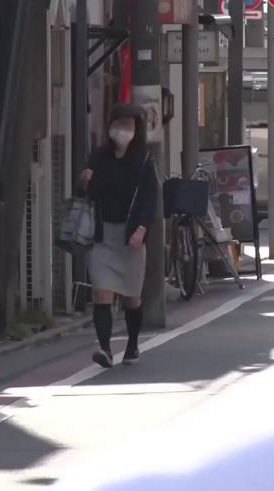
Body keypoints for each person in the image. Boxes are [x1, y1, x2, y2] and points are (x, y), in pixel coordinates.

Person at [80, 103, 158, 369]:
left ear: (137, 129)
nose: (122, 130)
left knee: (131, 297)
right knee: (102, 292)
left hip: (131, 237)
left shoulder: (145, 161)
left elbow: (150, 199)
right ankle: (105, 348)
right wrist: (84, 183)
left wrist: (142, 229)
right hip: (102, 235)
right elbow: (88, 195)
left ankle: (132, 344)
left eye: (128, 125)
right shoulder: (99, 157)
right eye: (118, 124)